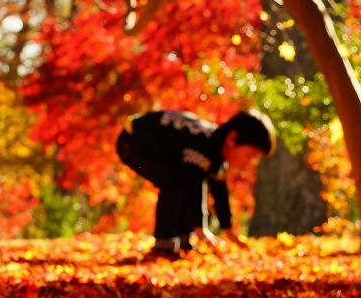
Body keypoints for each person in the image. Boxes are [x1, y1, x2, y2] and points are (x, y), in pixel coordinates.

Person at [116, 108, 277, 258]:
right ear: (232, 139)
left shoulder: (216, 155)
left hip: (150, 143)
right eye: (249, 155)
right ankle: (165, 244)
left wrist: (229, 232)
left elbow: (219, 192)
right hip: (132, 140)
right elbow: (193, 184)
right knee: (176, 180)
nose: (248, 163)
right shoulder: (202, 143)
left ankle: (184, 239)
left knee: (181, 178)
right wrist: (201, 230)